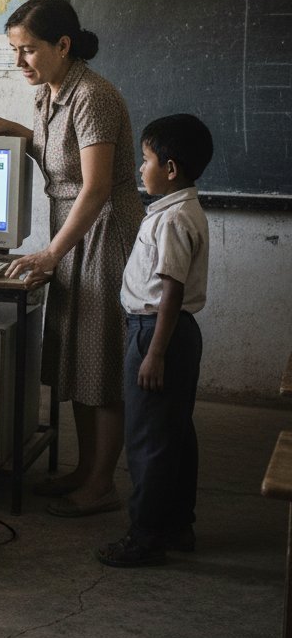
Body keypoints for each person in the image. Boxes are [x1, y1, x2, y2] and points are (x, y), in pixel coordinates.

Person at [0, 0, 144, 517]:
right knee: (81, 360)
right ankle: (86, 470)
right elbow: (61, 157)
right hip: (73, 232)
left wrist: (49, 253)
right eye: (14, 51)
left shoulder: (93, 95)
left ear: (62, 45)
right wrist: (17, 130)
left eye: (28, 51)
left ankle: (101, 485)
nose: (19, 62)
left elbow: (95, 187)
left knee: (102, 363)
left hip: (103, 232)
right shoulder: (53, 92)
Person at [98, 114, 213, 566]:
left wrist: (155, 354)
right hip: (175, 333)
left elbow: (171, 291)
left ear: (169, 168)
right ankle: (178, 525)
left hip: (158, 334)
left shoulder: (173, 219)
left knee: (147, 441)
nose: (138, 168)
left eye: (144, 160)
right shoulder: (178, 209)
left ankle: (145, 538)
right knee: (176, 434)